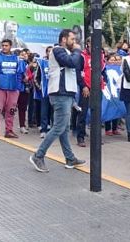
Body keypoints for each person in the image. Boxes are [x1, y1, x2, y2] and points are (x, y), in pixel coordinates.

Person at [29, 29, 86, 173]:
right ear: (64, 39)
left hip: (66, 93)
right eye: (72, 39)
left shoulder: (67, 52)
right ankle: (38, 155)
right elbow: (71, 62)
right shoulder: (58, 50)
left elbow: (76, 68)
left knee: (64, 129)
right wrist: (78, 51)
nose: (75, 42)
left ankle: (70, 158)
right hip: (60, 93)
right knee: (59, 127)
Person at [0, 39, 25, 137]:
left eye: (6, 45)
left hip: (13, 89)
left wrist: (18, 89)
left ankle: (9, 130)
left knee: (11, 111)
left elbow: (19, 74)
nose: (4, 47)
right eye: (3, 45)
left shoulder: (17, 59)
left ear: (10, 46)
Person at [75, 37, 105, 147]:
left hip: (98, 87)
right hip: (86, 87)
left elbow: (103, 70)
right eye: (92, 42)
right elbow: (78, 72)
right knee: (83, 112)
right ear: (87, 43)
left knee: (97, 113)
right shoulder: (82, 56)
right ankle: (80, 137)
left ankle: (96, 136)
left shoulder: (101, 55)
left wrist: (104, 80)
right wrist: (83, 86)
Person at [37, 47, 52, 138]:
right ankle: (43, 129)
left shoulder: (58, 63)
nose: (50, 53)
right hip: (45, 91)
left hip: (55, 91)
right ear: (46, 53)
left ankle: (53, 129)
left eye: (52, 51)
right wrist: (40, 87)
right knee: (44, 110)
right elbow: (37, 77)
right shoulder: (42, 63)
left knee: (54, 111)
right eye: (48, 51)